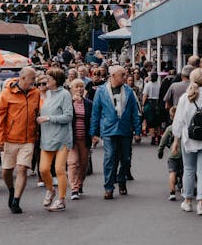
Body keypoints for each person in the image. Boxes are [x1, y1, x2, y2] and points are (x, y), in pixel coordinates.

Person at [171, 68, 202, 216]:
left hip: (188, 138)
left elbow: (178, 121)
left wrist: (176, 139)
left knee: (188, 169)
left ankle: (187, 201)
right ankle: (201, 204)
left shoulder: (185, 97)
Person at [89, 65, 141, 199]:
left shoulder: (129, 91)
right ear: (112, 76)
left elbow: (134, 112)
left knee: (125, 158)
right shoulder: (101, 91)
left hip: (125, 129)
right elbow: (96, 112)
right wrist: (94, 133)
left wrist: (138, 130)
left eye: (125, 74)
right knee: (110, 157)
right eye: (122, 75)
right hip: (108, 129)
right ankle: (109, 187)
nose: (125, 77)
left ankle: (122, 180)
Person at [0, 66, 40, 214]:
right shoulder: (6, 94)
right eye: (32, 78)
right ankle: (11, 189)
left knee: (22, 169)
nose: (35, 81)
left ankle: (16, 200)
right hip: (9, 138)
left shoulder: (36, 93)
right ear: (23, 78)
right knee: (6, 171)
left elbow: (39, 111)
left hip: (28, 139)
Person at [37, 67, 73, 212]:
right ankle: (50, 190)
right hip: (47, 138)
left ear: (56, 81)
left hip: (62, 138)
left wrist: (49, 118)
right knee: (43, 169)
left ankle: (61, 199)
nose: (46, 81)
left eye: (49, 79)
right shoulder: (46, 94)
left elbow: (68, 116)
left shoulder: (64, 94)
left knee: (59, 169)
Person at [68, 78, 93, 200]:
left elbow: (92, 120)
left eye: (81, 87)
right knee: (73, 162)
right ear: (71, 89)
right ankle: (74, 188)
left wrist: (94, 135)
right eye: (76, 87)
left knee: (83, 164)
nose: (79, 89)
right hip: (71, 138)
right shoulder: (67, 102)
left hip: (84, 137)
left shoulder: (88, 103)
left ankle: (79, 183)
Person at [157, 106, 183, 201]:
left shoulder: (170, 128)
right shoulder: (185, 127)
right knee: (186, 172)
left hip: (174, 153)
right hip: (185, 153)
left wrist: (160, 151)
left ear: (171, 117)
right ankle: (185, 189)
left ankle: (172, 193)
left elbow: (163, 141)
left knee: (172, 172)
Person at [142, 72, 161, 144]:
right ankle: (159, 137)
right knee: (158, 122)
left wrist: (143, 105)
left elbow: (145, 95)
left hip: (150, 103)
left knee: (151, 121)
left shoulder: (148, 85)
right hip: (157, 102)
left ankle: (153, 138)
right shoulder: (159, 84)